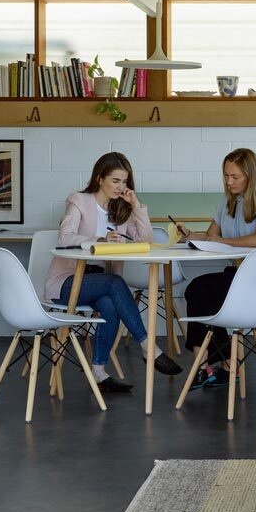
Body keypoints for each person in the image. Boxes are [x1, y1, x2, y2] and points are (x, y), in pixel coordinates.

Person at [44, 152, 182, 393]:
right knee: (114, 282)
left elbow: (146, 241)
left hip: (99, 281)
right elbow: (64, 237)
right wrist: (100, 239)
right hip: (68, 282)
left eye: (124, 182)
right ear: (100, 178)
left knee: (109, 305)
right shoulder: (79, 200)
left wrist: (137, 207)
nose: (120, 187)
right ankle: (148, 346)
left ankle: (98, 372)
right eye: (115, 181)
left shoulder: (122, 210)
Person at [176, 147, 256, 388]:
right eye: (226, 175)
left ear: (250, 175)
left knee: (200, 290)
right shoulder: (227, 201)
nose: (229, 181)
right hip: (241, 275)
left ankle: (208, 365)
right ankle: (217, 364)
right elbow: (211, 236)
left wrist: (222, 241)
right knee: (197, 290)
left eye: (235, 176)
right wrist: (189, 235)